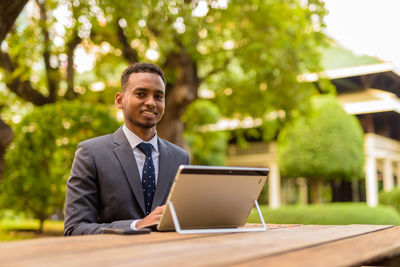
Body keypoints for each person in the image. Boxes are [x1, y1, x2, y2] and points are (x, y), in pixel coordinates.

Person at [64, 62, 190, 235]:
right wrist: (136, 225)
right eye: (141, 94)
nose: (151, 103)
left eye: (159, 96)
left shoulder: (180, 157)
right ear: (119, 100)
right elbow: (75, 229)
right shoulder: (91, 153)